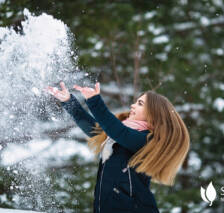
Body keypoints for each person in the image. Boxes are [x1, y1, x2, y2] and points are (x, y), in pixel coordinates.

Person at [47, 81, 190, 213]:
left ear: (154, 113)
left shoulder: (147, 140)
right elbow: (94, 129)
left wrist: (94, 100)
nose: (132, 105)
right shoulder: (118, 134)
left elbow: (118, 132)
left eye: (140, 103)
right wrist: (68, 101)